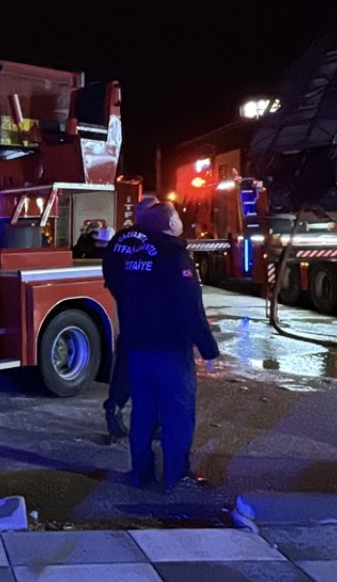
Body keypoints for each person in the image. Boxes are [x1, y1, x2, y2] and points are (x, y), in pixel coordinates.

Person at [102, 200, 219, 491]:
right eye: (177, 216)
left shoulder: (132, 256)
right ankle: (177, 476)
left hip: (137, 347)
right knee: (177, 414)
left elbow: (116, 283)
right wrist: (208, 349)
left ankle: (141, 473)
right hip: (170, 350)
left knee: (143, 412)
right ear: (170, 225)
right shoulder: (174, 258)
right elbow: (190, 307)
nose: (181, 220)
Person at [101, 196, 159, 440]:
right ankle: (153, 422)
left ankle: (114, 407)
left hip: (128, 310)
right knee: (154, 368)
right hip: (152, 314)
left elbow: (109, 273)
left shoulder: (118, 240)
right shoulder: (156, 241)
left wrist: (124, 296)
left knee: (126, 361)